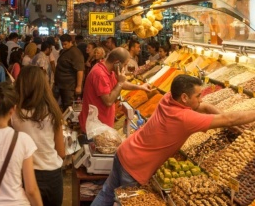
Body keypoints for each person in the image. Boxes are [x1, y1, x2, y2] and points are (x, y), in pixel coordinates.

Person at [91, 74, 255, 205]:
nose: (201, 99)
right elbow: (230, 119)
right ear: (184, 97)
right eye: (198, 95)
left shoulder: (168, 98)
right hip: (136, 167)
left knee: (106, 193)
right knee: (125, 202)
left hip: (125, 152)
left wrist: (220, 117)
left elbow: (203, 106)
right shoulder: (185, 118)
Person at [12, 66, 65, 206]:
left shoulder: (14, 114)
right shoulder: (53, 112)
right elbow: (61, 152)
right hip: (52, 175)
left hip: (24, 175)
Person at [79, 48, 151, 133]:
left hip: (101, 125)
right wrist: (120, 82)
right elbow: (108, 101)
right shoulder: (100, 74)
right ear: (117, 62)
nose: (125, 67)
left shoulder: (109, 69)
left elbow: (122, 83)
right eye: (124, 64)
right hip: (96, 127)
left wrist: (141, 87)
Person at [54, 34, 84, 111]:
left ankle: (70, 122)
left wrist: (79, 86)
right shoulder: (65, 51)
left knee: (69, 106)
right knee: (64, 106)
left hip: (69, 86)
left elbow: (80, 70)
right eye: (62, 44)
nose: (63, 46)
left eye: (65, 44)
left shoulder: (75, 53)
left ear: (71, 42)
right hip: (62, 85)